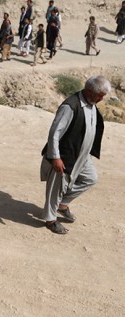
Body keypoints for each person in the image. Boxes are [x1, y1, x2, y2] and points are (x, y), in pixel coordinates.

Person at [41, 75, 109, 235]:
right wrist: (55, 157)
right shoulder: (70, 106)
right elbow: (54, 133)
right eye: (100, 95)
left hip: (82, 155)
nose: (101, 99)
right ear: (89, 91)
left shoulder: (91, 104)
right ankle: (50, 220)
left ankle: (63, 204)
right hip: (65, 155)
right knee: (55, 188)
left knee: (91, 178)